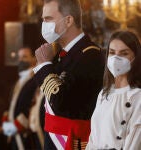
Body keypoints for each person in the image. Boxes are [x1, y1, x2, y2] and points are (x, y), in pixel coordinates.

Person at [33, 0, 104, 149]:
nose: (44, 24)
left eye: (48, 19)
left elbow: (62, 103)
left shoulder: (90, 55)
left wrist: (45, 66)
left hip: (73, 142)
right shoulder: (61, 54)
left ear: (69, 20)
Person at [86, 30, 141, 150]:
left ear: (135, 57)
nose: (116, 58)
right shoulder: (104, 93)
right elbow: (93, 137)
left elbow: (134, 142)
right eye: (112, 53)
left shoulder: (137, 96)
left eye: (124, 53)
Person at [1, 47, 41, 150]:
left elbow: (32, 105)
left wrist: (14, 127)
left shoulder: (35, 80)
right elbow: (12, 103)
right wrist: (6, 120)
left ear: (33, 59)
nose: (20, 60)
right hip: (14, 135)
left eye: (24, 57)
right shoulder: (18, 81)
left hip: (26, 136)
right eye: (19, 57)